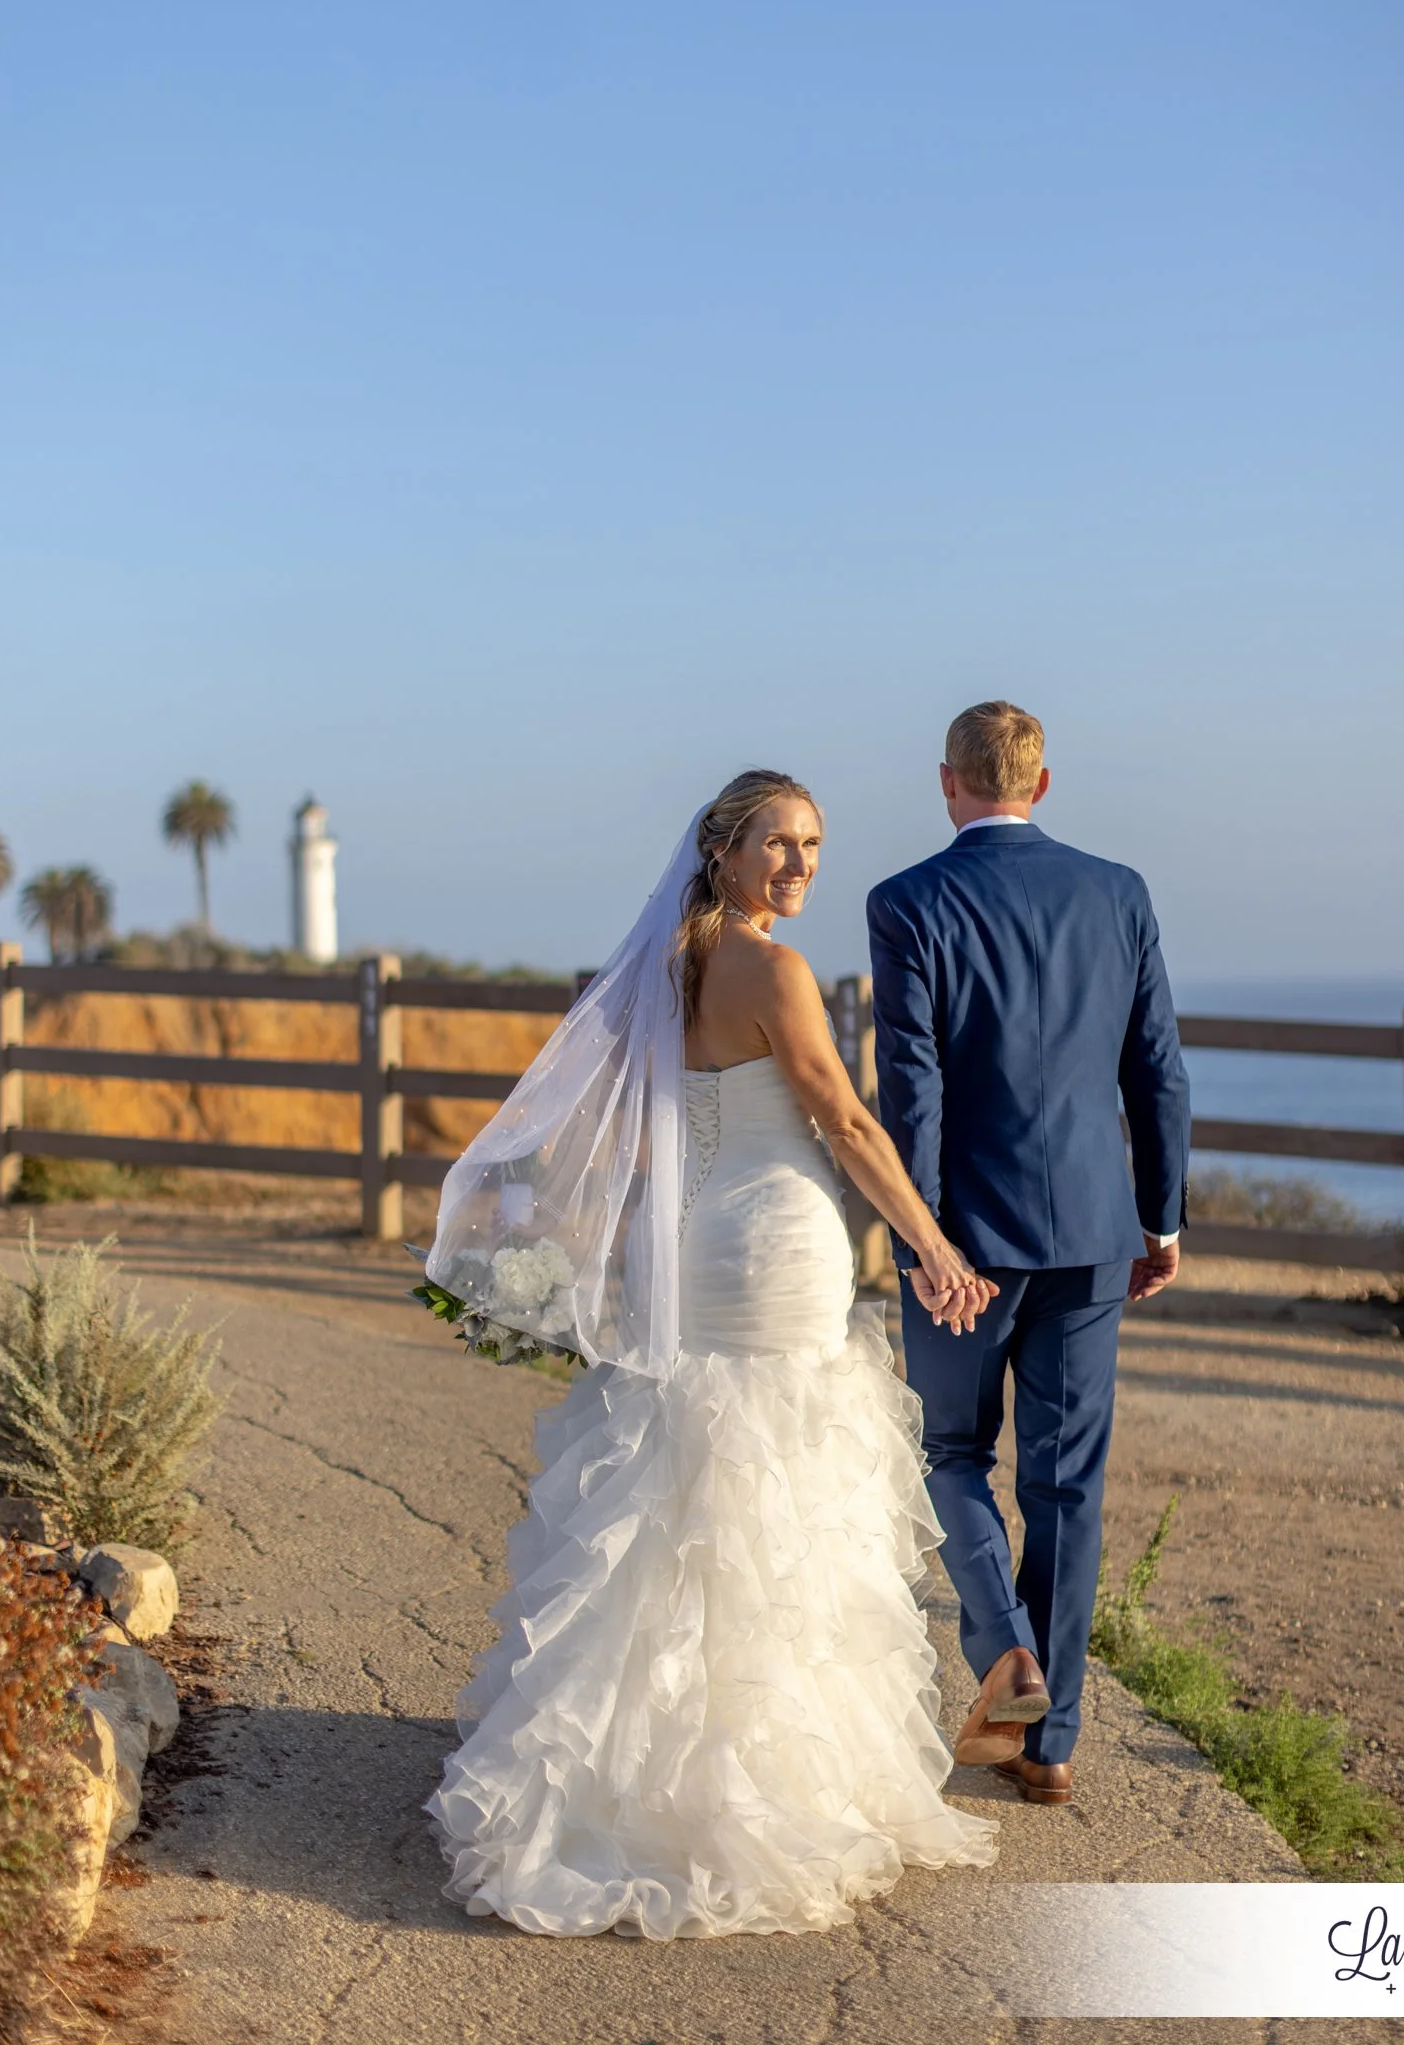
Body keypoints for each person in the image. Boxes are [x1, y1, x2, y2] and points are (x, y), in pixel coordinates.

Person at [424, 771, 997, 1939]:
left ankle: (627, 1773)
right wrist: (932, 1246)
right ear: (723, 852)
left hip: (692, 1253)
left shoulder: (660, 966)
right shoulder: (773, 972)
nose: (798, 865)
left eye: (812, 846)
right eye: (776, 845)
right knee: (774, 1495)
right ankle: (763, 1787)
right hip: (772, 1250)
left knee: (685, 1491)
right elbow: (841, 1121)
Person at [868, 702, 1190, 1809]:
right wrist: (1160, 1216)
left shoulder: (908, 902)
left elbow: (911, 1086)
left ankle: (1004, 1648)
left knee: (948, 1452)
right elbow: (1155, 1071)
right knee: (1065, 1487)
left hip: (965, 1237)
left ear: (946, 783)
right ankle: (1049, 1746)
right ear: (1041, 785)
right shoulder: (1119, 892)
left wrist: (921, 1233)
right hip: (1095, 1236)